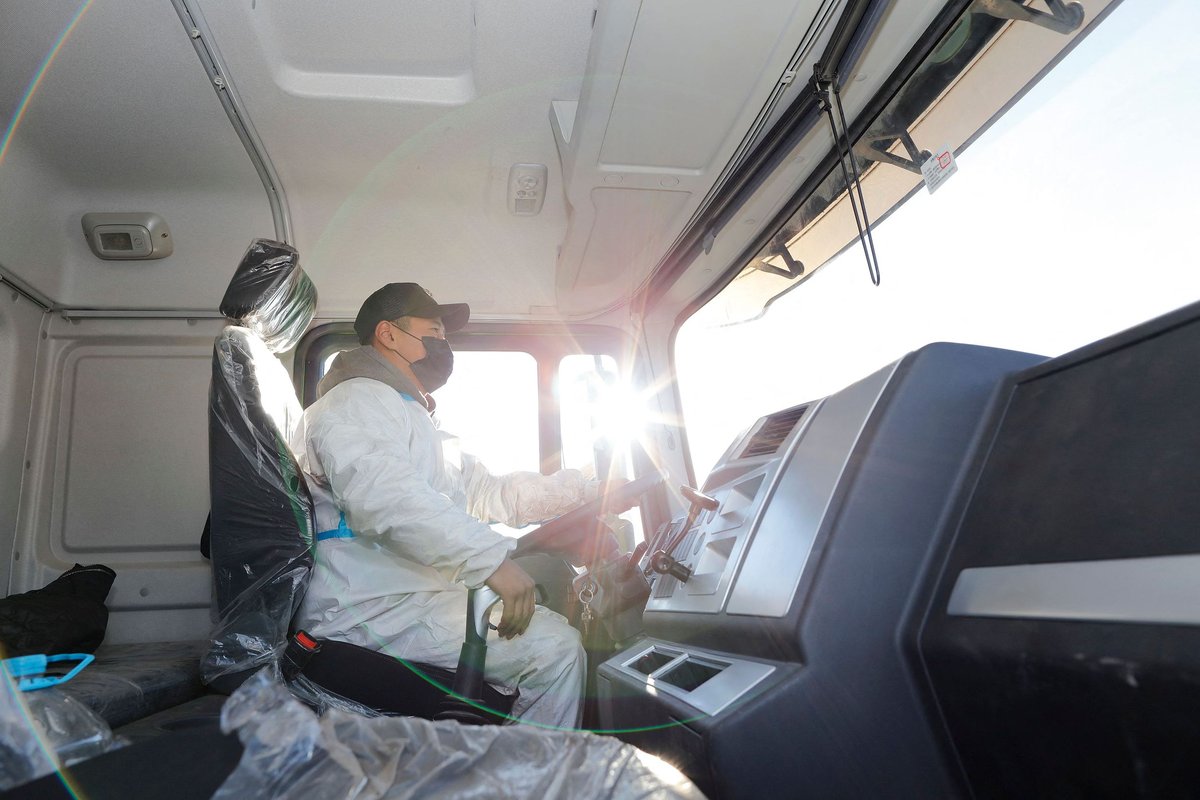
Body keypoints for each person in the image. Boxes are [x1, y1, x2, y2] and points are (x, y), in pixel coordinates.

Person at [290, 283, 597, 728]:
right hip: (371, 609)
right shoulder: (355, 401)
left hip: (412, 597)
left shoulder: (415, 420)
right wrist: (492, 563)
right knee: (555, 651)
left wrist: (587, 489)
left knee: (550, 639)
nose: (444, 344)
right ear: (389, 335)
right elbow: (385, 498)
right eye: (433, 330)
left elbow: (495, 494)